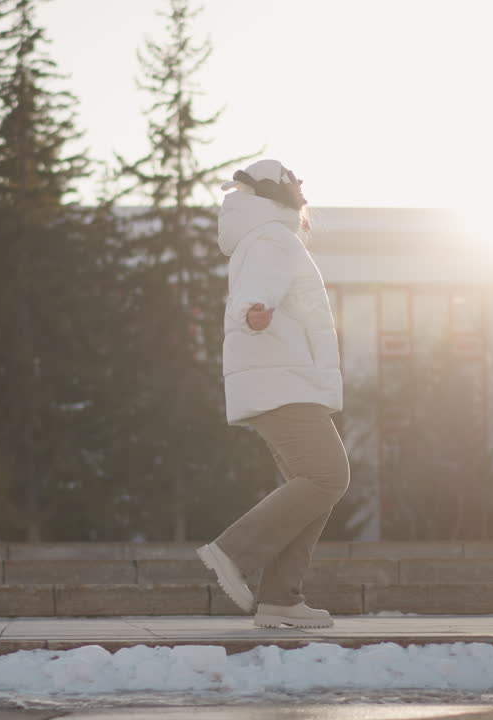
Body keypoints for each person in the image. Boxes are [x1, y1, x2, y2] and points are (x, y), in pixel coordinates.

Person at [196, 159, 350, 629]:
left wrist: (254, 309)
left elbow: (253, 289)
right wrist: (253, 311)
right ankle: (233, 551)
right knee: (328, 476)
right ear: (276, 193)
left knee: (312, 486)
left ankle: (282, 598)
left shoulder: (264, 236)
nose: (301, 188)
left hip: (278, 375)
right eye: (293, 182)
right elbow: (254, 293)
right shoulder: (272, 238)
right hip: (281, 377)